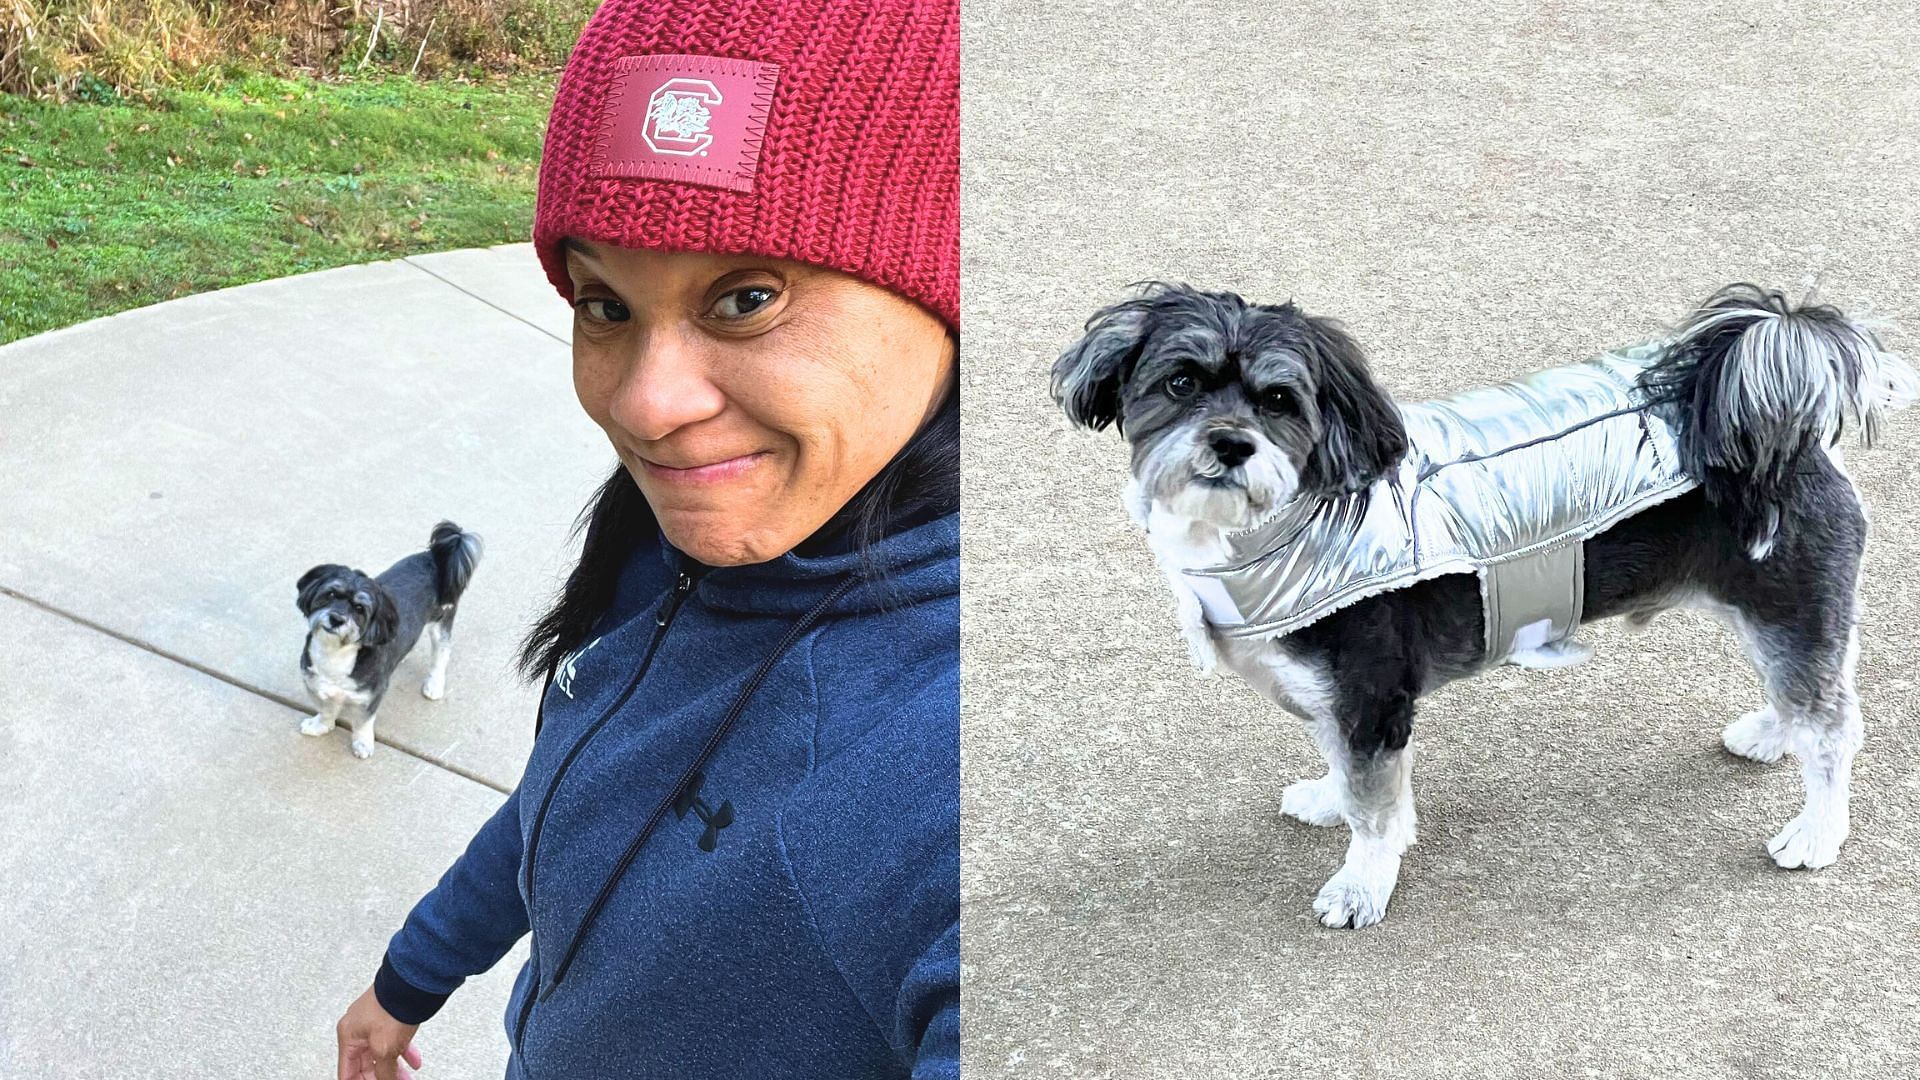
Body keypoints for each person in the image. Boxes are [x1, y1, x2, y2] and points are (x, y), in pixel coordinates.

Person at [332, 0, 959, 1075]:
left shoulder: (951, 763)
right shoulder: (673, 548)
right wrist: (411, 977)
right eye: (605, 304)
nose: (645, 405)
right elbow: (585, 790)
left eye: (747, 296)